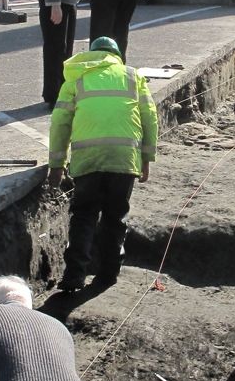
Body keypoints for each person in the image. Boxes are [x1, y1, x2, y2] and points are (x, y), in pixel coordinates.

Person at [48, 36, 158, 292]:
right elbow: (149, 118)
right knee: (115, 216)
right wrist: (147, 158)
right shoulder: (132, 77)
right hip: (124, 159)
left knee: (84, 215)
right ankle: (109, 272)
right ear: (117, 55)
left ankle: (75, 274)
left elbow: (60, 122)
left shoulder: (76, 78)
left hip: (88, 159)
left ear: (92, 54)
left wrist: (56, 164)